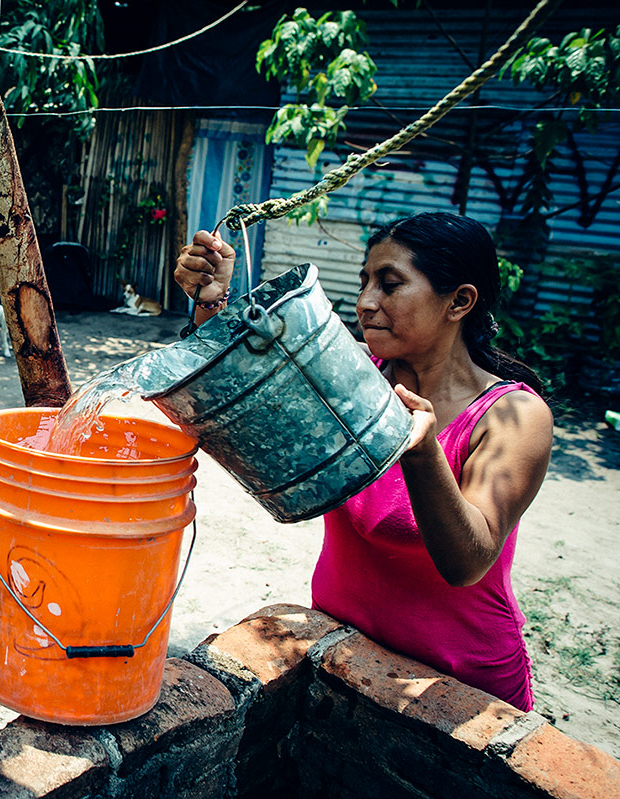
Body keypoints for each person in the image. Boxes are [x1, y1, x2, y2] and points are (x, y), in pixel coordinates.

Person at [175, 212, 553, 711]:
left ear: (459, 301)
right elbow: (241, 388)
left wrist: (422, 452)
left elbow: (468, 562)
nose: (365, 302)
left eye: (390, 284)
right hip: (342, 658)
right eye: (365, 282)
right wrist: (211, 304)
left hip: (456, 688)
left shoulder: (512, 416)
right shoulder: (351, 374)